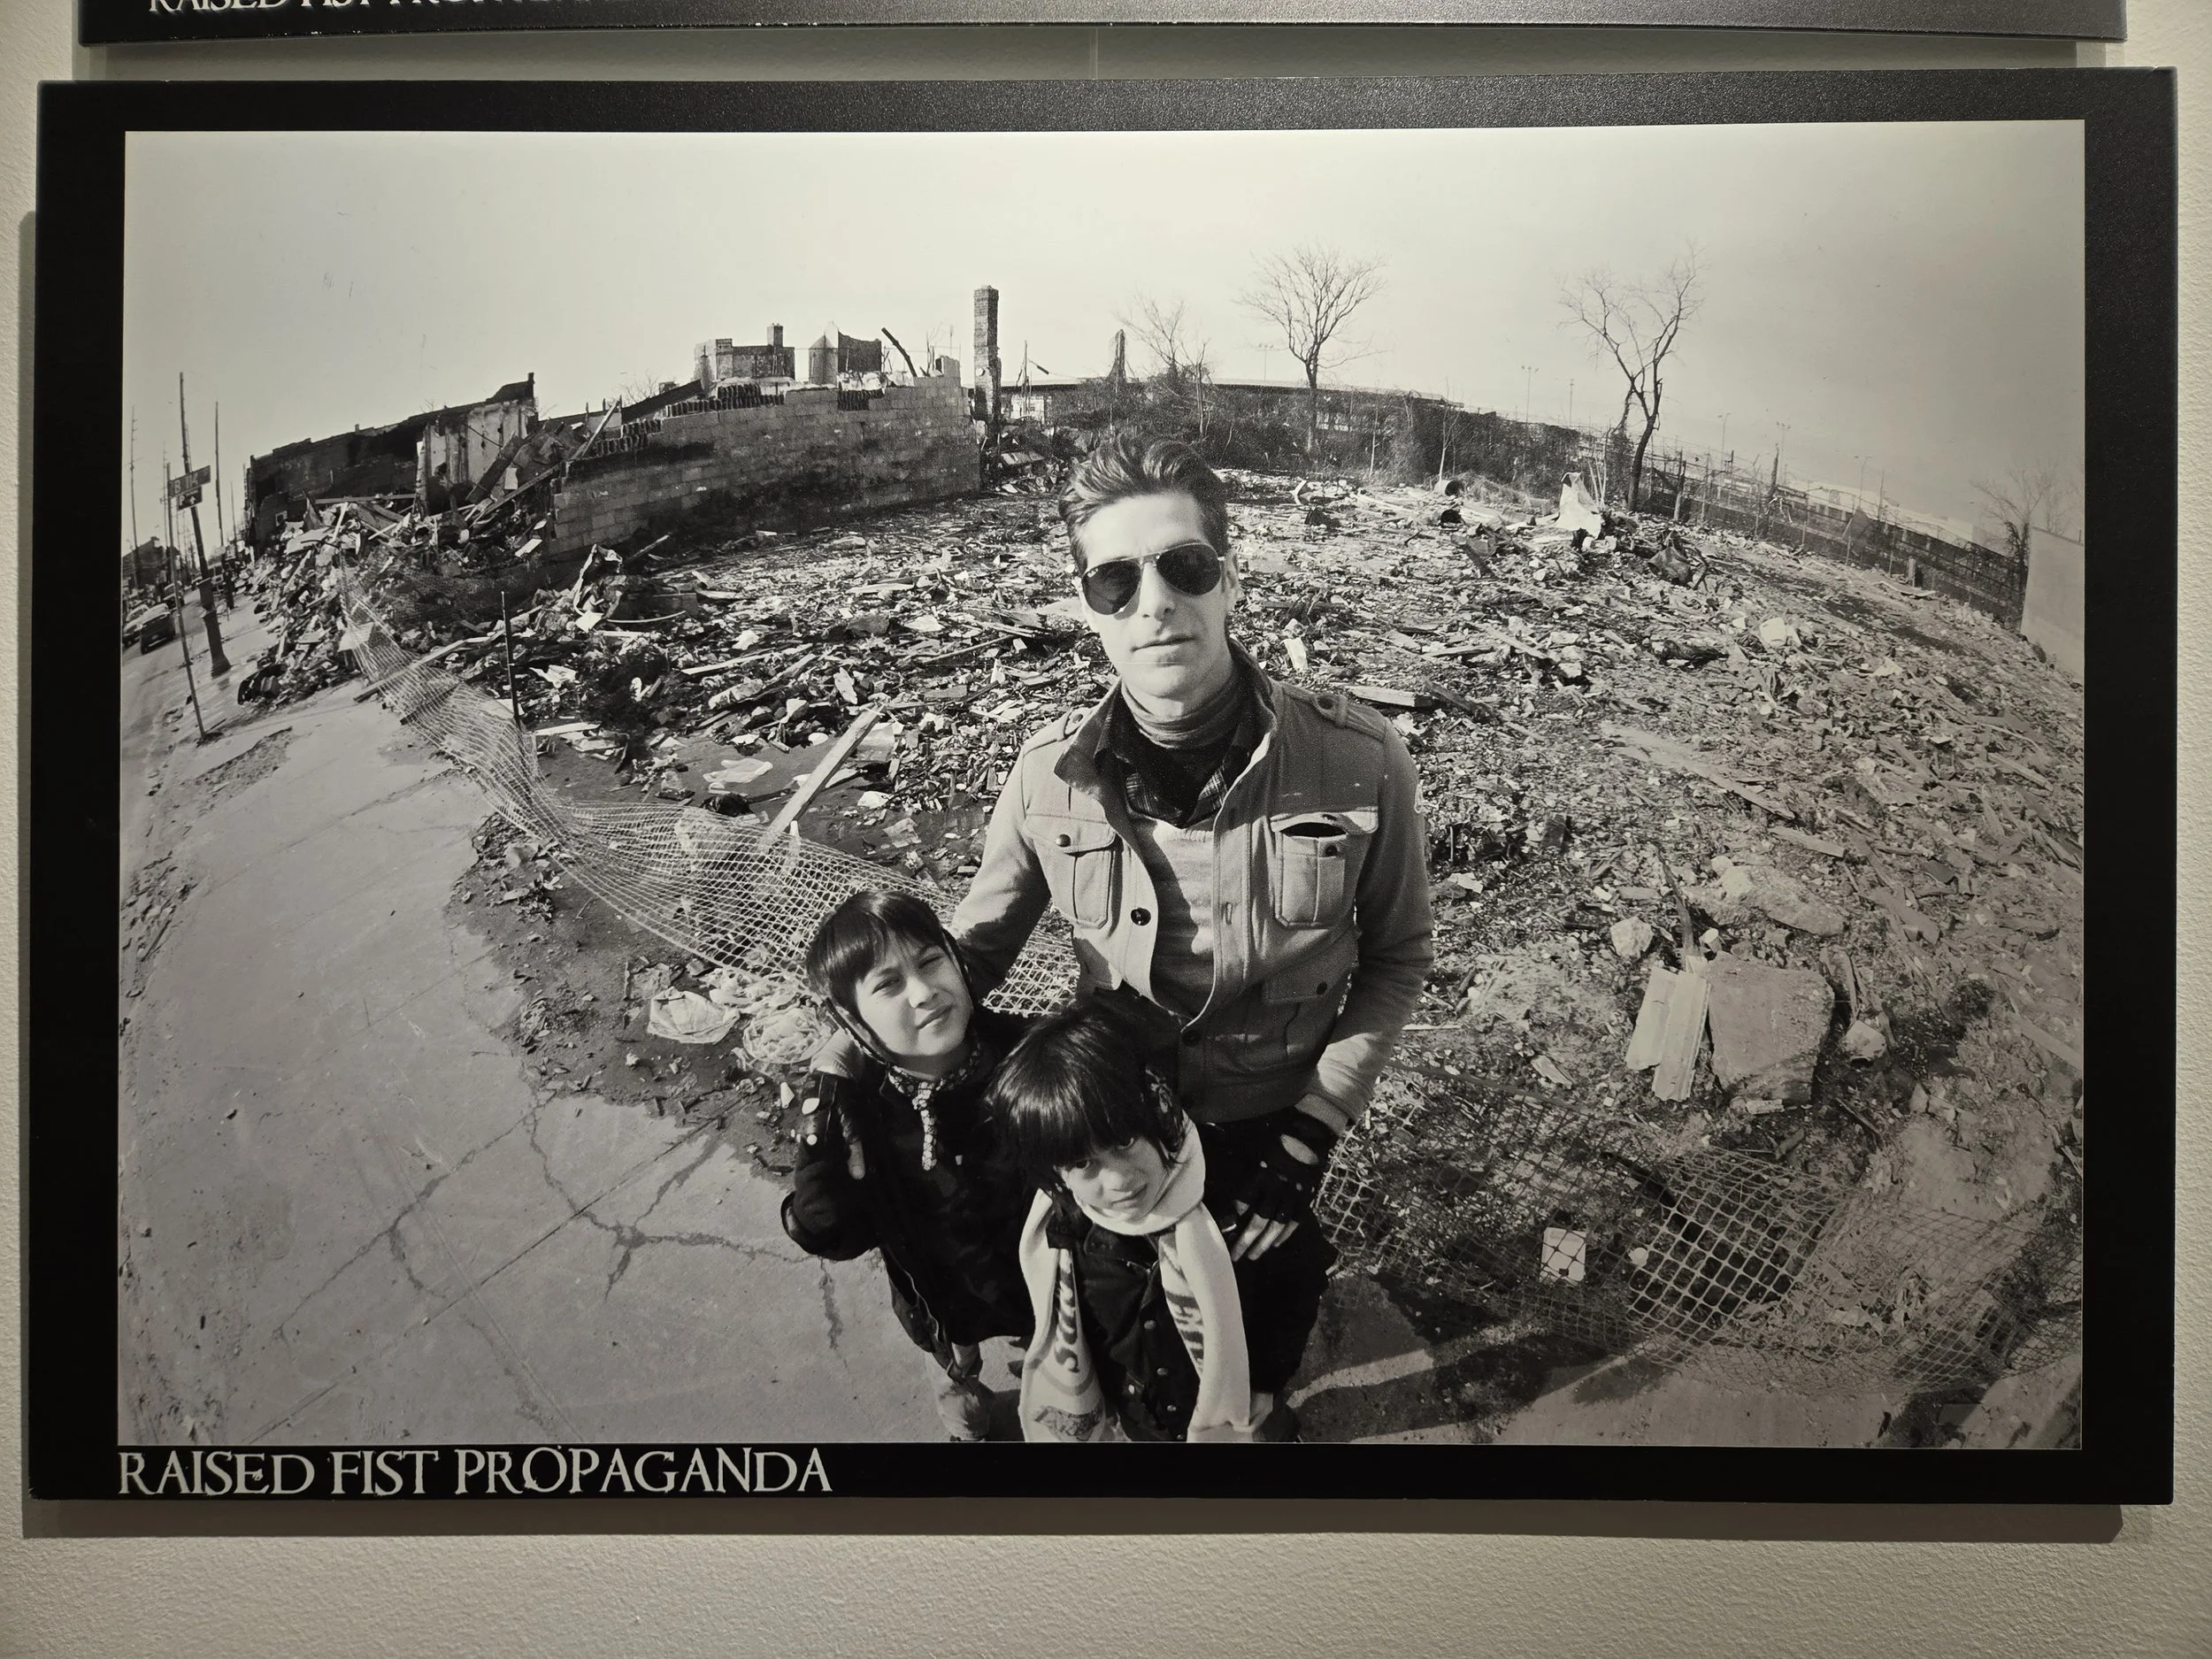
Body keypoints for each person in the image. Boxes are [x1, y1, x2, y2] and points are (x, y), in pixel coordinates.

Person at [948, 434, 1434, 1403]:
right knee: (1126, 1325)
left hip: (1271, 1121)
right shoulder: (1046, 774)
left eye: (1185, 566)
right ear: (1087, 609)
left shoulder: (1358, 758)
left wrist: (1311, 1134)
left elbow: (1397, 957)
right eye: (1115, 581)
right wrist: (853, 1054)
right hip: (1116, 1123)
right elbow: (971, 955)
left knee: (1265, 1307)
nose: (1156, 603)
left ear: (1230, 582)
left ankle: (1256, 1416)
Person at [784, 891, 1035, 1440]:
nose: (924, 993)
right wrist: (825, 1101)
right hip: (937, 1297)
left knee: (1058, 1385)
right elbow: (831, 1230)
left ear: (956, 957)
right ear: (848, 1018)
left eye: (930, 961)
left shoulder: (1032, 1060)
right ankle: (967, 1426)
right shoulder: (858, 1112)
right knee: (954, 1377)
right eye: (888, 984)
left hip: (1040, 1286)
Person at [989, 1002, 1290, 1443]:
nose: (1118, 1180)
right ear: (1057, 1172)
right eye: (1082, 1162)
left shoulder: (1233, 1199)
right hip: (1140, 1414)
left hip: (1242, 1404)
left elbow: (1295, 1287)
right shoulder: (1064, 1230)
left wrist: (1268, 1380)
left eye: (1126, 1140)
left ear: (1159, 1113)